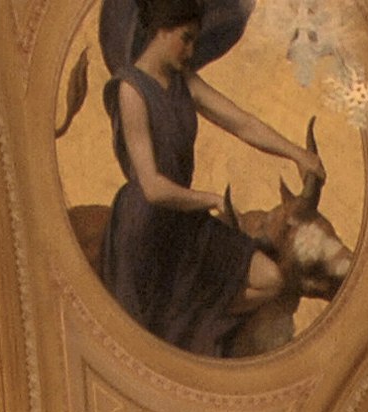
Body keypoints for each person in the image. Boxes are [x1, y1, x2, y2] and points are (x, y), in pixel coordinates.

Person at [102, 0, 321, 357]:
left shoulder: (182, 81)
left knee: (272, 280)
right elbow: (153, 188)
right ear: (162, 30)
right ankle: (187, 328)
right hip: (144, 233)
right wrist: (212, 200)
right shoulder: (130, 90)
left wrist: (296, 152)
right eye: (186, 39)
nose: (191, 50)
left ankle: (191, 322)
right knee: (149, 335)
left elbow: (241, 122)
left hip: (184, 224)